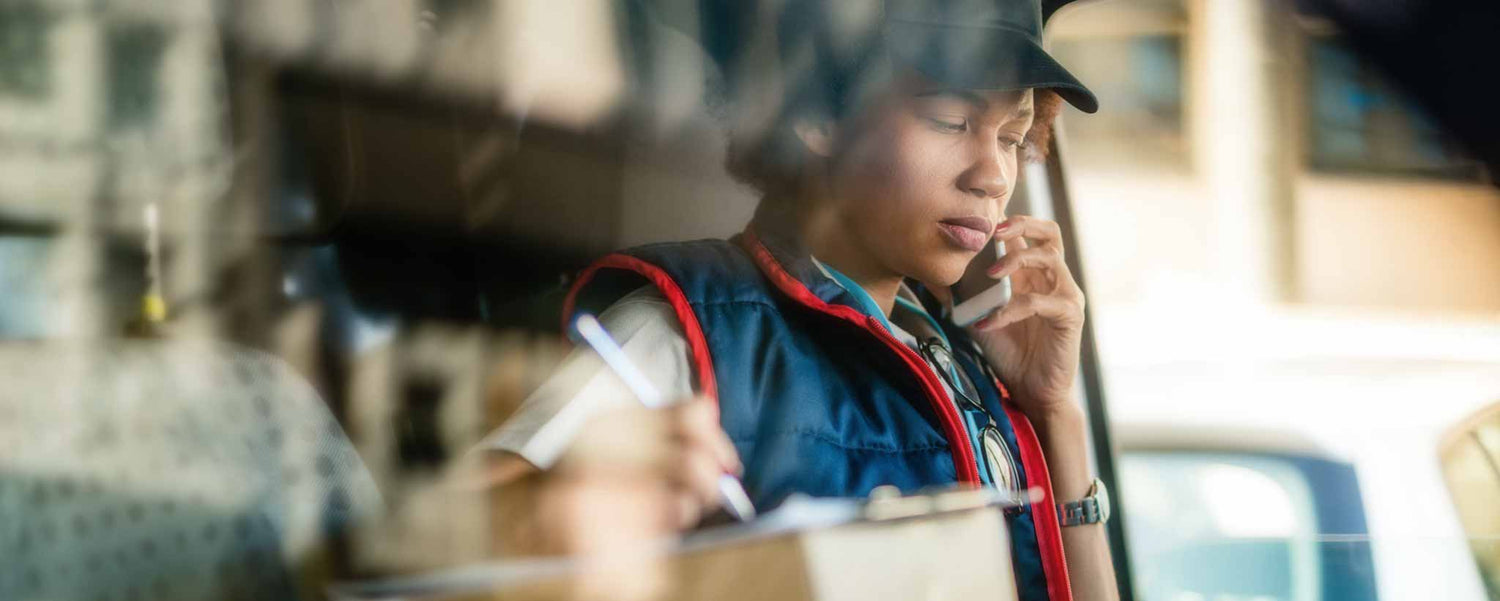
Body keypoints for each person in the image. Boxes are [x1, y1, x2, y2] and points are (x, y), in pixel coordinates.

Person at [482, 0, 1118, 599]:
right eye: (951, 120)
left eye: (1013, 137)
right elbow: (460, 541)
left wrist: (1055, 412)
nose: (994, 175)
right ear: (819, 115)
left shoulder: (964, 361)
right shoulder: (683, 329)